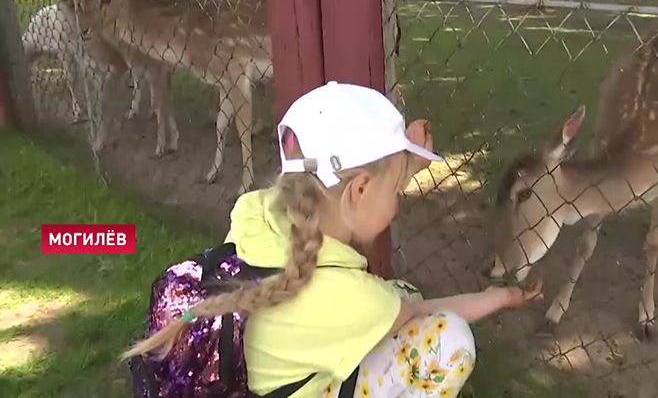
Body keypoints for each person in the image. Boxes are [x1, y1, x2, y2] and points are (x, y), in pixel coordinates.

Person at [121, 81, 543, 398]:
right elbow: (416, 311)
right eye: (397, 187)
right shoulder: (349, 298)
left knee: (396, 295)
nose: (400, 194)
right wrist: (498, 298)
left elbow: (346, 198)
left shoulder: (257, 210)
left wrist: (399, 164)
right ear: (359, 190)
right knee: (448, 339)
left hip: (256, 377)